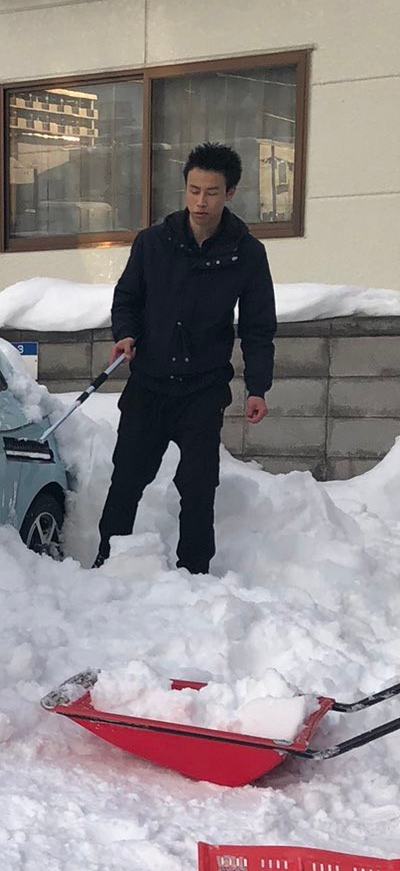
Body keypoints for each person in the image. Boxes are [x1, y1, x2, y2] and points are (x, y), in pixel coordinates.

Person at [95, 143, 276, 576]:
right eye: (194, 190)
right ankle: (105, 563)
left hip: (203, 387)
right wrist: (126, 334)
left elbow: (257, 326)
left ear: (230, 193)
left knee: (199, 486)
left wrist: (258, 388)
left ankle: (194, 573)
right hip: (149, 383)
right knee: (126, 478)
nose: (200, 201)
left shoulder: (246, 253)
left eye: (211, 192)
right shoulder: (154, 242)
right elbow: (128, 298)